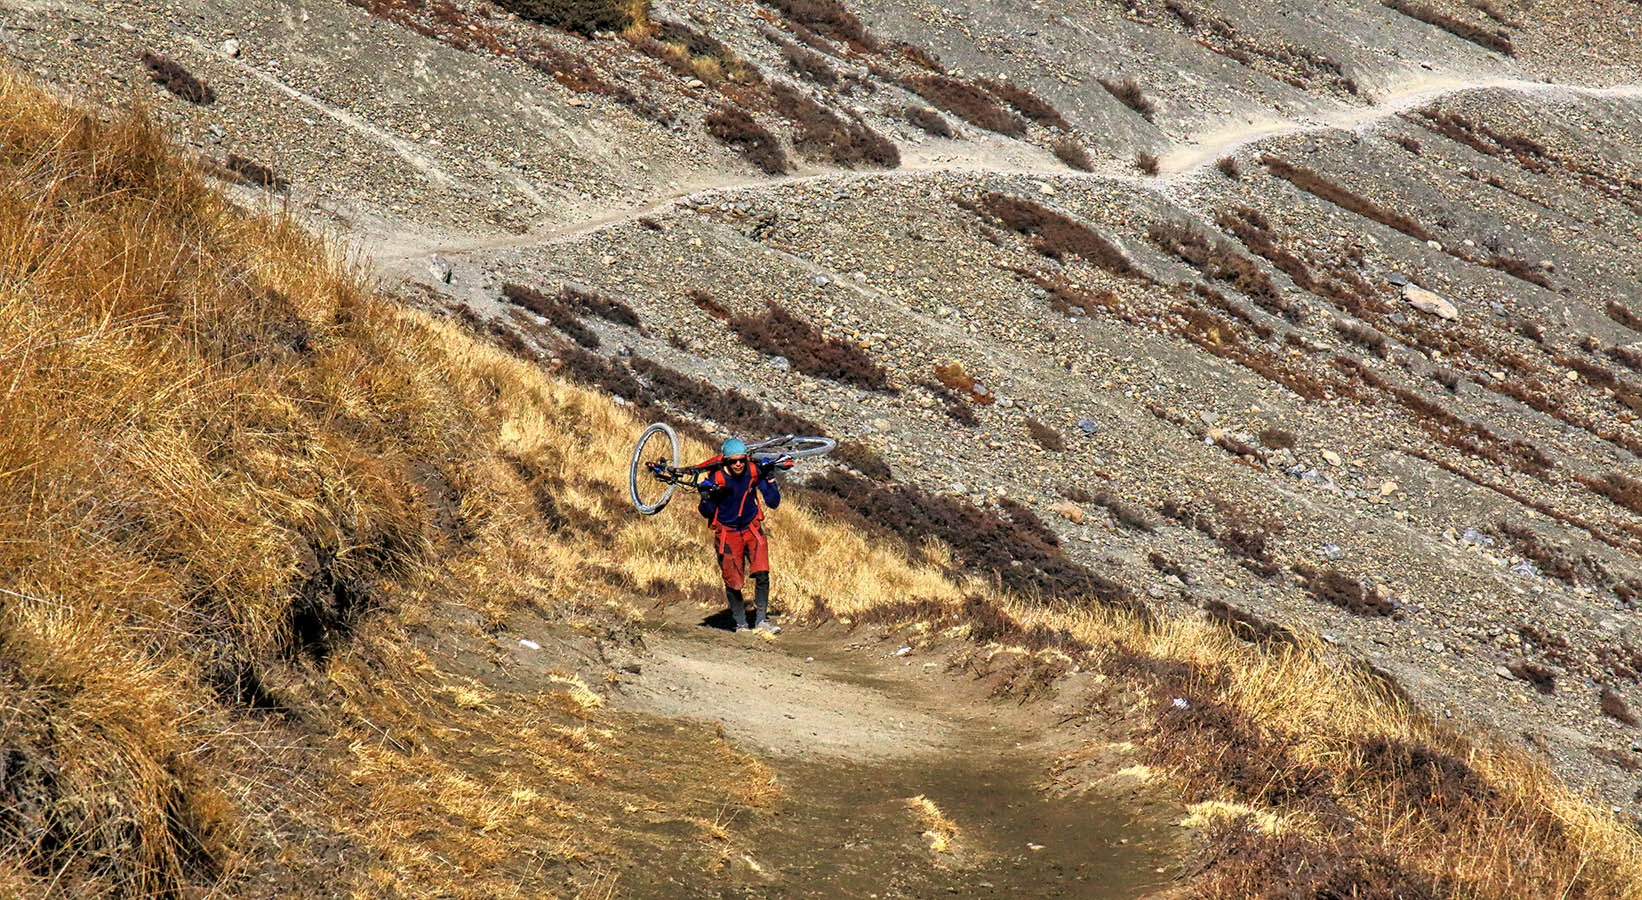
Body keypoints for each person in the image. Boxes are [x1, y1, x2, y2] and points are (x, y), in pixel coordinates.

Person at [697, 438, 788, 633]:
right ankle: (741, 623)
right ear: (725, 461)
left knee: (762, 572)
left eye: (741, 460)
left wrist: (770, 479)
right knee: (734, 581)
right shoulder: (716, 478)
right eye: (733, 461)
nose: (738, 464)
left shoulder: (753, 472)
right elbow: (706, 512)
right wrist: (706, 498)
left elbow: (773, 502)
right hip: (727, 533)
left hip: (751, 527)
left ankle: (761, 620)